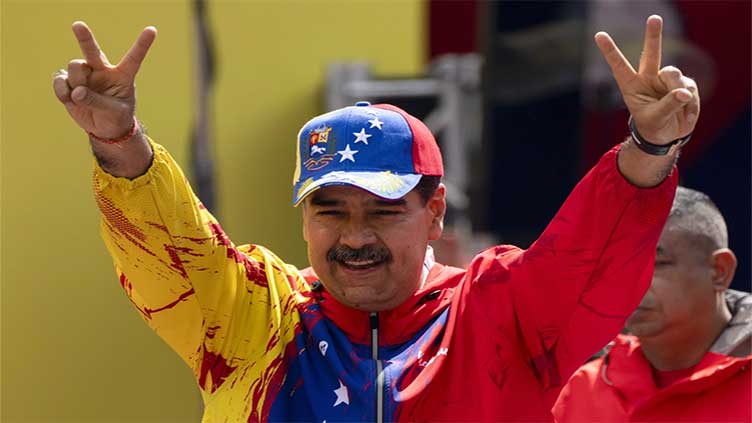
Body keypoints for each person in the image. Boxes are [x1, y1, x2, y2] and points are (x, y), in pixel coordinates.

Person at [52, 15, 700, 422]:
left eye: (383, 211)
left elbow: (588, 257)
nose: (354, 235)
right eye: (330, 210)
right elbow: (173, 249)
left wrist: (647, 148)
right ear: (304, 217)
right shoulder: (255, 316)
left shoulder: (498, 310)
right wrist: (119, 140)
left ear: (434, 211)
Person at [553, 187, 751, 422]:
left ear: (720, 271)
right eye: (617, 265)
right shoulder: (580, 392)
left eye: (656, 263)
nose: (629, 282)